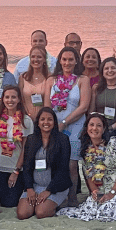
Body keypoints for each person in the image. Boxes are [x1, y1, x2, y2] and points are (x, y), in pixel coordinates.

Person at [57, 113, 116, 222]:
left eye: (98, 125)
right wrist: (94, 191)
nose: (94, 128)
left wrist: (112, 193)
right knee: (92, 209)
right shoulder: (86, 149)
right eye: (91, 125)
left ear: (104, 129)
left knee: (108, 210)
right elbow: (88, 175)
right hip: (101, 190)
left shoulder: (112, 144)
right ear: (87, 128)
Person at [44, 46, 90, 207]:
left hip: (75, 125)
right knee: (55, 162)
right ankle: (57, 196)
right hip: (54, 127)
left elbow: (83, 106)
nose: (67, 62)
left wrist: (64, 123)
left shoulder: (82, 80)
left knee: (71, 164)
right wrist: (52, 125)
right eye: (64, 59)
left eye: (71, 59)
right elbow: (47, 107)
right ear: (60, 61)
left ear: (76, 61)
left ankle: (72, 197)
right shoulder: (51, 81)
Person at [17, 107, 72, 220]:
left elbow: (63, 169)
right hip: (35, 186)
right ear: (38, 123)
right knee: (22, 214)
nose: (46, 122)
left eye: (49, 119)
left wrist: (49, 190)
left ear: (54, 122)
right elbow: (27, 167)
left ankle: (55, 202)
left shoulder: (63, 140)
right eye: (42, 119)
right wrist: (30, 189)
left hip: (55, 187)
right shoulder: (31, 139)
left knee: (41, 213)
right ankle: (40, 203)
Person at [0, 86, 34, 208]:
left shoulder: (26, 121)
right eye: (7, 97)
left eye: (13, 97)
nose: (10, 100)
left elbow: (26, 149)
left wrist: (16, 171)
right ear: (2, 99)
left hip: (14, 169)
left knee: (10, 203)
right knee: (1, 202)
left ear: (19, 99)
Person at [19, 46, 50, 120]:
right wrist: (27, 115)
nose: (35, 60)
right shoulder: (23, 77)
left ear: (44, 59)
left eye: (39, 57)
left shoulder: (49, 78)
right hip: (26, 117)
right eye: (33, 57)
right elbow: (20, 99)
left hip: (44, 119)